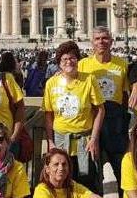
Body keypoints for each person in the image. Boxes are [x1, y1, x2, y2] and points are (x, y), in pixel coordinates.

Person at [43, 41, 105, 193]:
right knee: (62, 182)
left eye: (72, 58)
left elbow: (100, 110)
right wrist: (51, 141)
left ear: (78, 60)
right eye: (64, 59)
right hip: (60, 141)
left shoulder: (89, 80)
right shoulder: (51, 83)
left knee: (87, 181)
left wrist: (94, 138)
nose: (69, 62)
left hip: (85, 141)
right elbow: (48, 114)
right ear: (59, 63)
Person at [78, 26, 133, 194]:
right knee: (90, 171)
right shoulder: (82, 65)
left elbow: (127, 93)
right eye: (97, 39)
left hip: (115, 123)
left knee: (121, 167)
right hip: (91, 122)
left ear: (111, 41)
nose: (101, 42)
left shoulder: (122, 64)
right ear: (91, 43)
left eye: (104, 38)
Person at [34, 148, 100, 198]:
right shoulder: (41, 190)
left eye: (64, 164)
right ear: (47, 169)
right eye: (56, 164)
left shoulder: (73, 185)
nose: (61, 168)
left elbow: (92, 196)